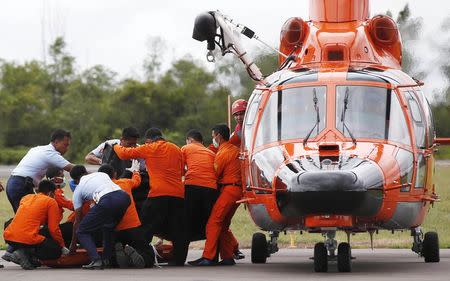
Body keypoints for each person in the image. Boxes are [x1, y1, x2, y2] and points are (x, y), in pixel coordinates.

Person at [114, 127, 188, 266]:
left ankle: (141, 255)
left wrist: (116, 145)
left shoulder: (150, 148)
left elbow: (124, 153)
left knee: (146, 226)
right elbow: (182, 170)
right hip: (178, 194)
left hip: (158, 193)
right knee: (178, 229)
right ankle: (178, 261)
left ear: (148, 140)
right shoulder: (176, 149)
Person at [189, 124, 242, 266]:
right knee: (223, 224)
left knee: (214, 222)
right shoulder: (233, 150)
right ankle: (227, 257)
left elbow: (214, 173)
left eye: (213, 136)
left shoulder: (224, 152)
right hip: (237, 191)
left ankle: (208, 257)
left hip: (229, 189)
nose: (213, 139)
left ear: (218, 136)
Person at [69, 165, 131, 269]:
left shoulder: (78, 190)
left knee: (82, 231)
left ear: (75, 181)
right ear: (86, 171)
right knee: (108, 227)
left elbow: (77, 221)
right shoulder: (101, 174)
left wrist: (73, 244)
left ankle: (96, 260)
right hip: (124, 197)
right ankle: (107, 259)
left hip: (107, 200)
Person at [98, 164, 155, 268]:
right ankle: (142, 258)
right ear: (114, 174)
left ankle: (117, 258)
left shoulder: (98, 190)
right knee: (148, 253)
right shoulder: (124, 183)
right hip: (132, 227)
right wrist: (135, 171)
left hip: (114, 230)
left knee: (110, 254)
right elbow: (137, 181)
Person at [3, 180, 68, 270]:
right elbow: (53, 229)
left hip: (9, 236)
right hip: (26, 238)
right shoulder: (50, 201)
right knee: (56, 250)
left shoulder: (26, 197)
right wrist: (62, 246)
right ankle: (24, 253)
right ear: (50, 193)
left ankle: (25, 256)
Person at [5, 129, 74, 212]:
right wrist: (91, 176)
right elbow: (73, 169)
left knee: (25, 218)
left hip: (14, 184)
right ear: (56, 142)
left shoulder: (37, 149)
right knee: (28, 219)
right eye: (65, 145)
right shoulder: (50, 153)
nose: (67, 148)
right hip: (21, 185)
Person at [181, 129, 218, 242]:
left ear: (190, 140)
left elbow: (179, 169)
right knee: (211, 223)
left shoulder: (186, 148)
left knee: (186, 221)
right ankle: (211, 257)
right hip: (212, 189)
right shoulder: (211, 153)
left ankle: (179, 256)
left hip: (193, 186)